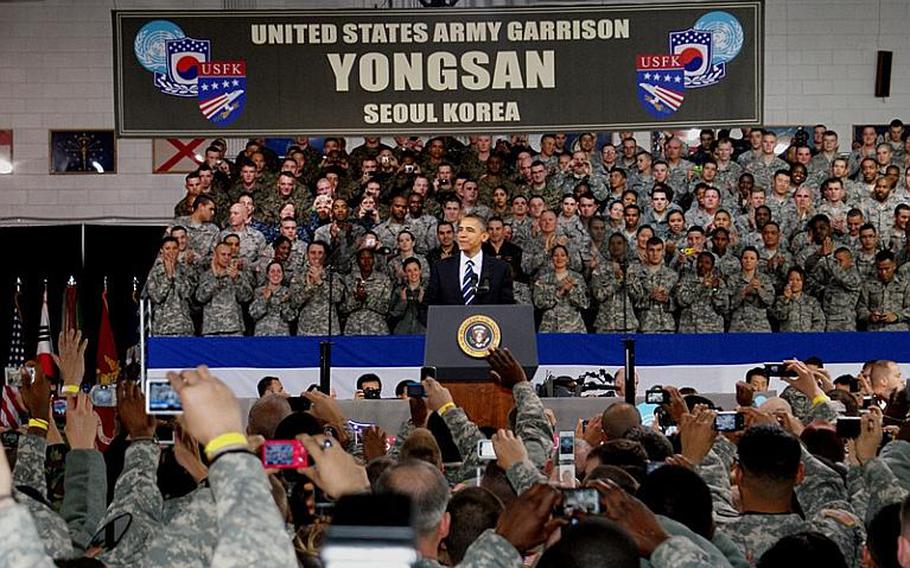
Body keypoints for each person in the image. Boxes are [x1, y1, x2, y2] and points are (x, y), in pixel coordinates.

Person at [424, 214, 515, 308]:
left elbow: (507, 310)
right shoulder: (440, 268)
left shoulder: (500, 269)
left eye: (470, 230)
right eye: (460, 230)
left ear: (484, 237)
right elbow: (427, 308)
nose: (462, 235)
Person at [195, 242, 254, 336]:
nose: (226, 257)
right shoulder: (206, 276)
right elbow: (200, 298)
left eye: (229, 255)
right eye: (223, 254)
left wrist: (236, 280)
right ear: (215, 255)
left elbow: (246, 298)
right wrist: (215, 278)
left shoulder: (238, 275)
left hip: (234, 328)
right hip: (212, 329)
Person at [145, 236, 195, 336]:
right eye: (167, 248)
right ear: (161, 251)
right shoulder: (154, 272)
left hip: (184, 328)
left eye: (174, 248)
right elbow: (157, 297)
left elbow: (187, 294)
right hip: (163, 328)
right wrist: (168, 278)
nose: (171, 251)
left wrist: (175, 274)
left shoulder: (186, 270)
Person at [533, 245, 589, 333]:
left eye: (562, 255)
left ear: (567, 259)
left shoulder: (577, 278)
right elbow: (538, 303)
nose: (559, 258)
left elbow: (585, 303)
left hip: (573, 328)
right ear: (552, 258)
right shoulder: (543, 279)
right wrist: (559, 292)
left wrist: (571, 290)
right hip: (549, 328)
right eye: (556, 255)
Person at [627, 237, 678, 333]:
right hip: (645, 327)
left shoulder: (672, 275)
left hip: (668, 327)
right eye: (651, 250)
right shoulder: (636, 274)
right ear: (646, 251)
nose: (655, 254)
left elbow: (679, 303)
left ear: (663, 252)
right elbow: (633, 301)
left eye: (658, 250)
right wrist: (649, 297)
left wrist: (667, 300)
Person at [342, 248, 392, 336]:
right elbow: (343, 308)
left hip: (377, 329)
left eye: (369, 258)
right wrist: (356, 299)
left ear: (374, 260)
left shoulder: (384, 279)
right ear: (357, 261)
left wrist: (367, 299)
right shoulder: (349, 279)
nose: (366, 261)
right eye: (363, 258)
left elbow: (386, 308)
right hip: (353, 329)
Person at [675, 252, 728, 333]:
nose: (702, 265)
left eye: (707, 263)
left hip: (711, 329)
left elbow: (723, 308)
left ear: (712, 267)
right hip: (689, 329)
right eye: (700, 262)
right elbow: (682, 301)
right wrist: (701, 287)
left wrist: (715, 289)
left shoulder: (718, 283)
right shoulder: (686, 279)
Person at [858, 250, 910, 331]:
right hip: (875, 331)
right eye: (879, 269)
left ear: (894, 266)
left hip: (898, 330)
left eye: (887, 268)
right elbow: (861, 307)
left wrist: (896, 316)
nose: (883, 272)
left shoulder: (905, 284)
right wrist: (870, 316)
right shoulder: (868, 285)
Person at [729, 247, 775, 332]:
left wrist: (760, 289)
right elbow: (729, 304)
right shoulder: (733, 279)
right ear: (741, 260)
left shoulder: (764, 279)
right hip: (738, 326)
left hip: (760, 326)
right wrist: (745, 291)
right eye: (745, 258)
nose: (748, 261)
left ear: (757, 262)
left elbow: (770, 301)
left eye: (752, 258)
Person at [772, 267, 826, 332]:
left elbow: (820, 321)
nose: (795, 282)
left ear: (803, 282)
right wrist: (786, 299)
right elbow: (779, 317)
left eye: (798, 280)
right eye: (791, 279)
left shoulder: (812, 301)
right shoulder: (780, 300)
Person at [248, 261, 295, 336]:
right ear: (267, 275)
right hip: (262, 336)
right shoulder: (259, 291)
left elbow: (291, 317)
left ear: (283, 274)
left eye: (279, 271)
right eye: (272, 271)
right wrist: (264, 299)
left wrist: (284, 303)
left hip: (282, 336)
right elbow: (253, 314)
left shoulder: (288, 292)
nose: (275, 274)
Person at [390, 257, 427, 335]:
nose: (413, 273)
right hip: (402, 333)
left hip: (423, 333)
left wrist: (422, 303)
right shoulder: (398, 291)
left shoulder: (428, 291)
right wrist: (403, 302)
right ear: (405, 273)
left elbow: (431, 317)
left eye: (415, 269)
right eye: (409, 271)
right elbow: (392, 316)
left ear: (420, 271)